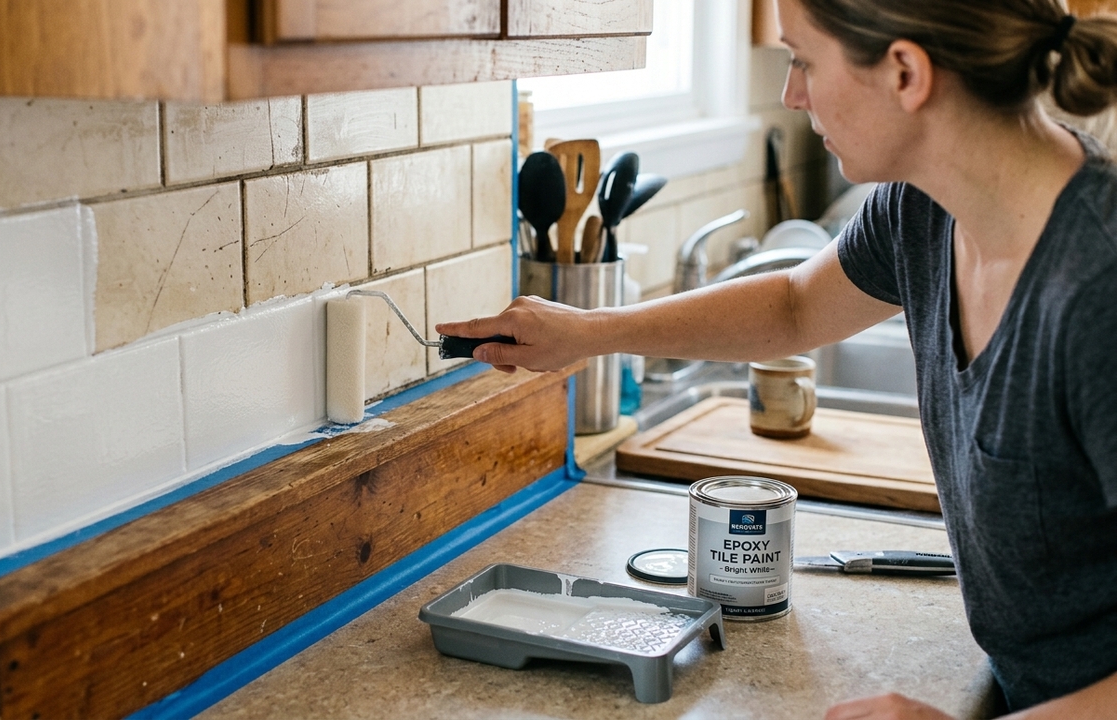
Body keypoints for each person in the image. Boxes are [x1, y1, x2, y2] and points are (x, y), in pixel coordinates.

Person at [438, 0, 1117, 717]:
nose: (792, 94)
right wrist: (590, 331)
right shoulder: (923, 210)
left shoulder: (1097, 287)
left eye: (805, 61)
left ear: (905, 73)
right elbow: (795, 305)